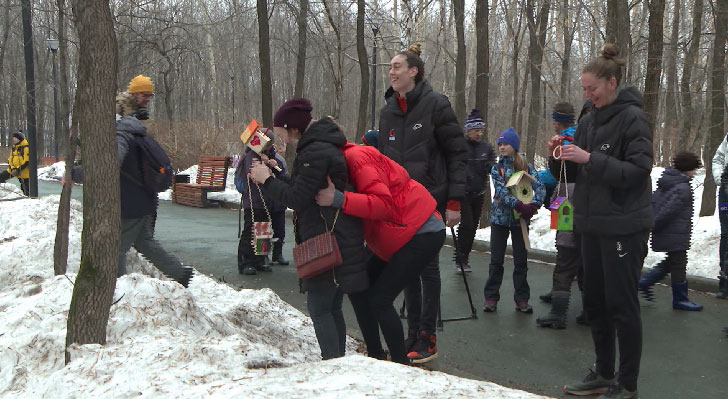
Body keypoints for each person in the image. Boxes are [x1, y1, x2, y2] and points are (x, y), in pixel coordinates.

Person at [560, 44, 653, 399]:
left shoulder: (633, 119)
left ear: (611, 83)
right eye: (584, 90)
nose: (588, 95)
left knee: (621, 305)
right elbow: (577, 170)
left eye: (592, 89)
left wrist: (588, 158)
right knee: (595, 303)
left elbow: (637, 171)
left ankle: (627, 383)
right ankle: (602, 372)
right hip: (590, 225)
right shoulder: (587, 120)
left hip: (623, 226)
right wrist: (564, 153)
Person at [249, 98, 369, 360]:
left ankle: (332, 364)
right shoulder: (317, 147)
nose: (281, 138)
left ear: (293, 128)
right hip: (334, 236)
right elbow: (304, 187)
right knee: (331, 306)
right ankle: (337, 363)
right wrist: (277, 173)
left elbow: (297, 198)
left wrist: (267, 180)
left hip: (328, 238)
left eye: (281, 132)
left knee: (320, 307)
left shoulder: (314, 151)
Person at [313, 134, 446, 364]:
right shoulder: (338, 164)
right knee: (358, 288)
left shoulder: (358, 158)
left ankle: (399, 364)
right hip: (398, 234)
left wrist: (338, 199)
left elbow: (381, 205)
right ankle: (375, 356)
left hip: (421, 231)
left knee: (380, 299)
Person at [377, 43, 467, 363]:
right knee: (407, 270)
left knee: (426, 270)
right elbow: (385, 163)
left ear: (413, 71)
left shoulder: (436, 105)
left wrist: (454, 201)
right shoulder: (387, 110)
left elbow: (458, 153)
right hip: (399, 207)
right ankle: (412, 332)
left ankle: (427, 335)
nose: (391, 71)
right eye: (389, 67)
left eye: (397, 66)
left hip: (431, 202)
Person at [68, 76, 193, 288]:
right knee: (144, 242)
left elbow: (108, 166)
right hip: (143, 198)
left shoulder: (123, 133)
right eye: (145, 95)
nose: (148, 100)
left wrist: (74, 174)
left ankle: (116, 288)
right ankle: (180, 273)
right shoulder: (134, 129)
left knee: (115, 248)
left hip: (132, 201)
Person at [483, 128, 545, 314]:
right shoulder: (496, 168)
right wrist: (518, 205)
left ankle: (522, 299)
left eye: (505, 144)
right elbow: (501, 191)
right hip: (499, 219)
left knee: (521, 261)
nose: (502, 147)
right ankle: (491, 297)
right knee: (496, 261)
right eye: (500, 144)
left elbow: (539, 186)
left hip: (520, 222)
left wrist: (533, 205)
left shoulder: (525, 165)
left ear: (514, 146)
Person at [537, 102, 586, 329]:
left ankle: (558, 313)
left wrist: (541, 174)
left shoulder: (563, 142)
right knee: (585, 259)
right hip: (589, 203)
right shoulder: (587, 137)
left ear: (557, 120)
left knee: (565, 256)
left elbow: (558, 174)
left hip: (570, 200)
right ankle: (589, 311)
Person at [639, 152, 702, 311]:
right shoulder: (682, 187)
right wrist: (655, 224)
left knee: (672, 261)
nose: (694, 172)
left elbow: (656, 203)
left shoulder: (668, 181)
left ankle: (646, 282)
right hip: (675, 231)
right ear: (688, 169)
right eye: (694, 169)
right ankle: (680, 298)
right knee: (679, 263)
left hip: (670, 231)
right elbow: (668, 211)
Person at [234, 129, 287, 275]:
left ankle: (260, 259)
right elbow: (255, 175)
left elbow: (280, 174)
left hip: (267, 199)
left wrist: (273, 165)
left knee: (263, 230)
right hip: (253, 200)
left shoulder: (270, 157)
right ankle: (246, 261)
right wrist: (266, 167)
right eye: (267, 144)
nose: (269, 147)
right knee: (251, 229)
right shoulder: (251, 156)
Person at [456, 109, 495, 273]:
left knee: (472, 228)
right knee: (466, 224)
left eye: (481, 130)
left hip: (479, 193)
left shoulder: (486, 147)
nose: (479, 133)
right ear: (468, 130)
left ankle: (464, 257)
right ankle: (459, 259)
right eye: (476, 130)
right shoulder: (460, 146)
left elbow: (493, 165)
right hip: (463, 193)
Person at [710, 132, 728, 299]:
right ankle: (724, 281)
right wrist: (720, 178)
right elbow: (718, 159)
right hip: (726, 192)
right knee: (726, 234)